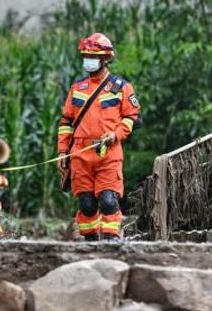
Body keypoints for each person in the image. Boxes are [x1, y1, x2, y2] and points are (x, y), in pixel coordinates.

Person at [57, 33, 141, 241]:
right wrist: (62, 151)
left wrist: (115, 134)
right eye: (86, 55)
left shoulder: (121, 87)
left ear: (106, 59)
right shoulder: (77, 89)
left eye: (93, 56)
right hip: (80, 155)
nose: (88, 60)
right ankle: (91, 241)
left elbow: (132, 118)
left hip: (108, 153)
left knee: (108, 201)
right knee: (86, 204)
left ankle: (112, 240)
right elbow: (66, 122)